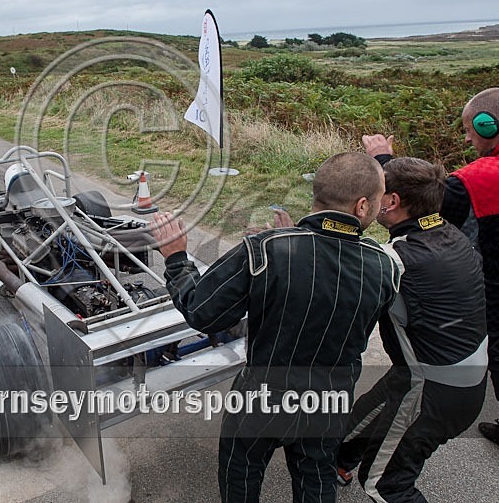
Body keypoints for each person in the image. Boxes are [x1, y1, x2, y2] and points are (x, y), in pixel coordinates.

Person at [150, 152, 399, 503]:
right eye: (379, 198)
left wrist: (176, 258)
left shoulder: (265, 250)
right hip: (330, 402)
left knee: (241, 475)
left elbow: (202, 313)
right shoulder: (384, 266)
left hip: (261, 399)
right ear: (361, 206)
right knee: (316, 484)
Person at [362, 87, 499, 463]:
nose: (466, 138)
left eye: (469, 130)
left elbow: (422, 205)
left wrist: (383, 159)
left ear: (488, 125)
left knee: (492, 354)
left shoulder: (481, 177)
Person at [335, 157, 487, 502]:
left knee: (384, 483)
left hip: (432, 390)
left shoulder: (395, 261)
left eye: (374, 193)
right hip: (454, 377)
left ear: (391, 202)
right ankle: (338, 461)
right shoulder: (452, 235)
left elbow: (340, 303)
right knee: (349, 430)